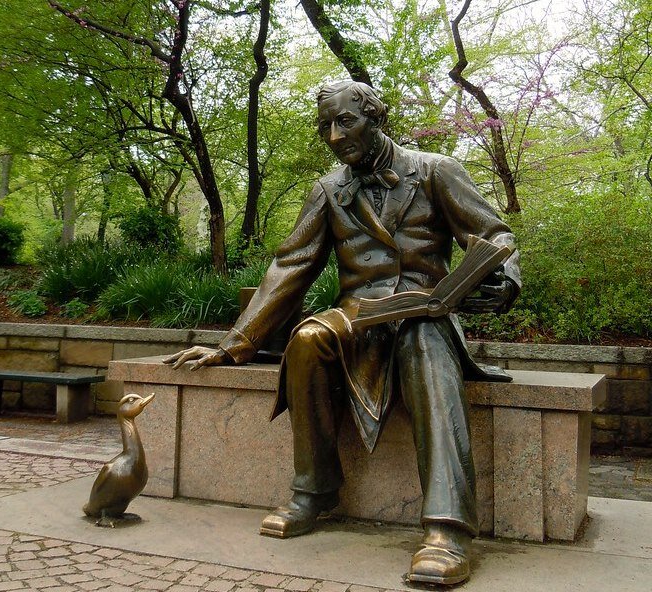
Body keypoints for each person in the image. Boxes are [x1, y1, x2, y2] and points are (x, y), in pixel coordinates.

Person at [164, 80, 520, 586]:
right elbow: (290, 267)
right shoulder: (329, 190)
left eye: (345, 122)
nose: (333, 135)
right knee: (306, 339)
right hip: (358, 315)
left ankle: (447, 529)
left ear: (376, 118)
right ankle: (315, 489)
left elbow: (495, 234)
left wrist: (505, 278)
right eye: (324, 126)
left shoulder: (436, 171)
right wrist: (231, 346)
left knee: (424, 346)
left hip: (426, 312)